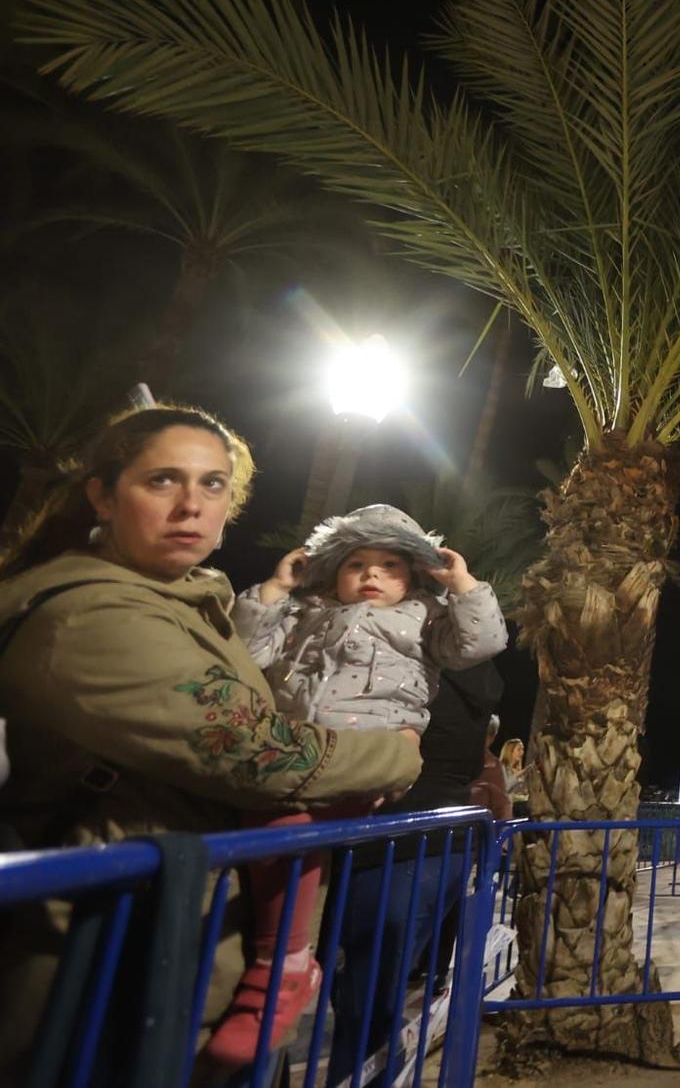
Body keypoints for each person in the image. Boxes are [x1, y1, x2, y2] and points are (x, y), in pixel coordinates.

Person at [0, 406, 421, 1076]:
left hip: (181, 946)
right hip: (108, 967)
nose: (191, 505)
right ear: (103, 495)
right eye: (163, 480)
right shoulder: (89, 614)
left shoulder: (180, 600)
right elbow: (258, 751)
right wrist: (400, 752)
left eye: (214, 484)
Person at [215, 503, 507, 1063]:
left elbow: (480, 641)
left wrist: (462, 583)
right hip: (299, 749)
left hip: (371, 753)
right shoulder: (308, 615)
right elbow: (246, 656)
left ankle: (289, 967)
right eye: (357, 564)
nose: (372, 575)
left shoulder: (424, 618)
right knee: (280, 843)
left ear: (415, 575)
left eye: (390, 565)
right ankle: (286, 966)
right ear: (332, 572)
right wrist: (277, 590)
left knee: (366, 938)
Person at [326, 658, 504, 1085]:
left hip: (393, 841)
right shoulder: (475, 677)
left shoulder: (410, 671)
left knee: (364, 1002)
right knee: (373, 1002)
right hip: (442, 841)